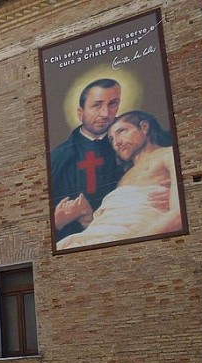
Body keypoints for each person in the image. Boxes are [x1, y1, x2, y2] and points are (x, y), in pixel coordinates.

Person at [56, 111, 181, 250]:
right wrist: (88, 216)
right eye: (111, 139)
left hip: (136, 240)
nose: (117, 142)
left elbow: (178, 215)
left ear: (144, 127)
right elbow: (116, 221)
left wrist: (131, 246)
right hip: (113, 240)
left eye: (122, 131)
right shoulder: (123, 178)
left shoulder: (168, 154)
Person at [51, 79, 125, 242]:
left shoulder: (130, 148)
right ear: (80, 113)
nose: (105, 113)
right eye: (97, 105)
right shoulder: (58, 158)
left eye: (113, 104)